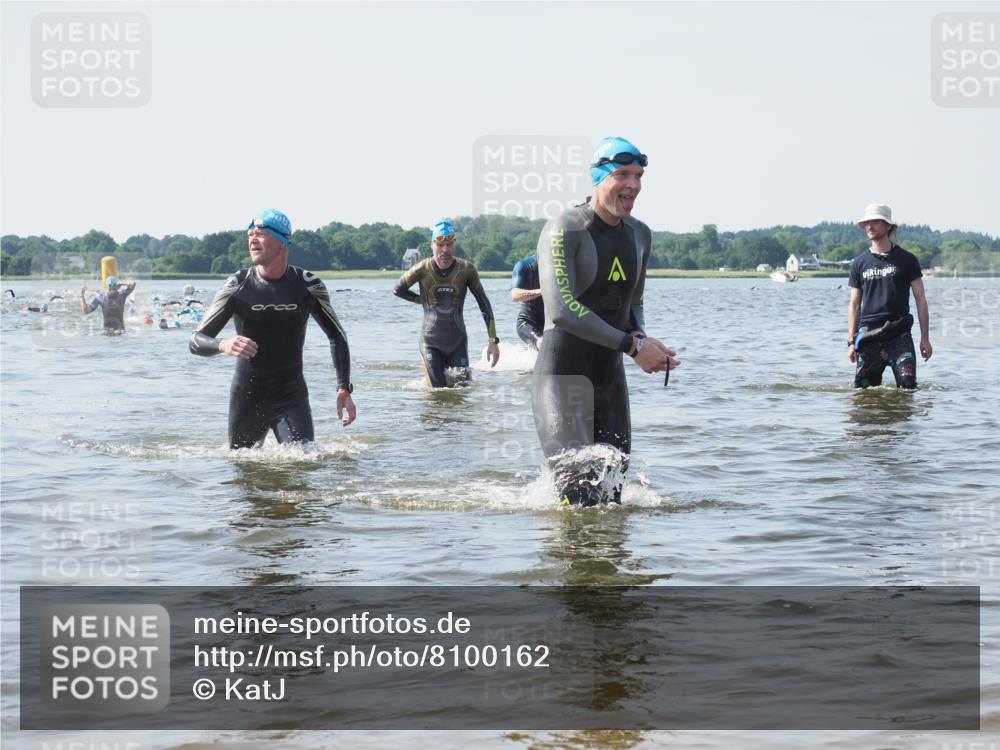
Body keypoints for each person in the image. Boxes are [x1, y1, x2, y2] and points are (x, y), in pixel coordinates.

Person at [533, 137, 680, 506]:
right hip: (563, 379)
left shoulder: (640, 235)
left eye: (638, 176)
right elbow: (562, 310)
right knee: (578, 501)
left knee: (612, 502)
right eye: (622, 175)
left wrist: (642, 337)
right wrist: (632, 346)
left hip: (610, 382)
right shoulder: (566, 228)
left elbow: (634, 303)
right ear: (598, 177)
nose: (633, 185)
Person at [190, 208, 356, 449]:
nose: (252, 240)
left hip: (291, 396)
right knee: (243, 467)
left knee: (303, 462)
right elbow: (196, 340)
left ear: (281, 241)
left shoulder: (308, 285)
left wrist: (343, 387)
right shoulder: (238, 284)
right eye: (250, 235)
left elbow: (337, 336)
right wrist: (223, 344)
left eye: (260, 234)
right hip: (247, 396)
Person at [394, 220, 500, 387]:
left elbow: (484, 304)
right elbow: (398, 290)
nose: (445, 250)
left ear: (454, 245)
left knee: (461, 393)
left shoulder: (467, 270)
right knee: (437, 392)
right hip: (430, 343)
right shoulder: (422, 269)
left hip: (458, 343)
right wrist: (423, 301)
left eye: (449, 244)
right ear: (432, 245)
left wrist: (493, 341)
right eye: (440, 244)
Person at [848, 204, 932, 389]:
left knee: (908, 388)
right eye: (867, 222)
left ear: (888, 226)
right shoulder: (859, 263)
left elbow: (920, 300)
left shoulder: (907, 260)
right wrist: (852, 343)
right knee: (863, 394)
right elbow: (854, 305)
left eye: (875, 222)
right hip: (868, 336)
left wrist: (925, 338)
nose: (870, 226)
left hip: (899, 335)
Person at [510, 255, 545, 350]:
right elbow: (515, 295)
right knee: (543, 342)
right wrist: (543, 291)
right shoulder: (524, 265)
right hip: (528, 322)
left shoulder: (565, 266)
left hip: (550, 323)